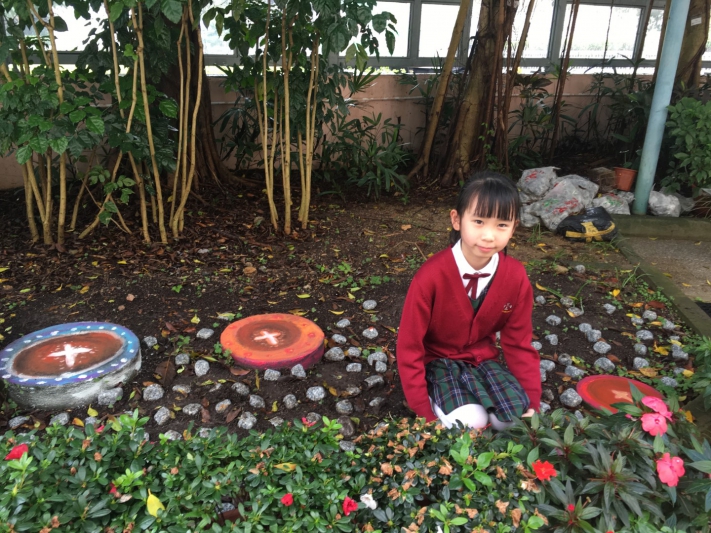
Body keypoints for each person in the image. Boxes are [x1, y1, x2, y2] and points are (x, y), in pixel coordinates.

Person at [397, 171, 540, 430]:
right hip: (438, 361)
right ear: (457, 220)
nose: (489, 236)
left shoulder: (515, 276)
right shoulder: (430, 277)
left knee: (513, 421)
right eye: (478, 221)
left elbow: (519, 343)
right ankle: (440, 401)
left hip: (484, 360)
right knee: (471, 422)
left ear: (514, 228)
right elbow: (409, 347)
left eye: (501, 225)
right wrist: (424, 412)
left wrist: (534, 405)